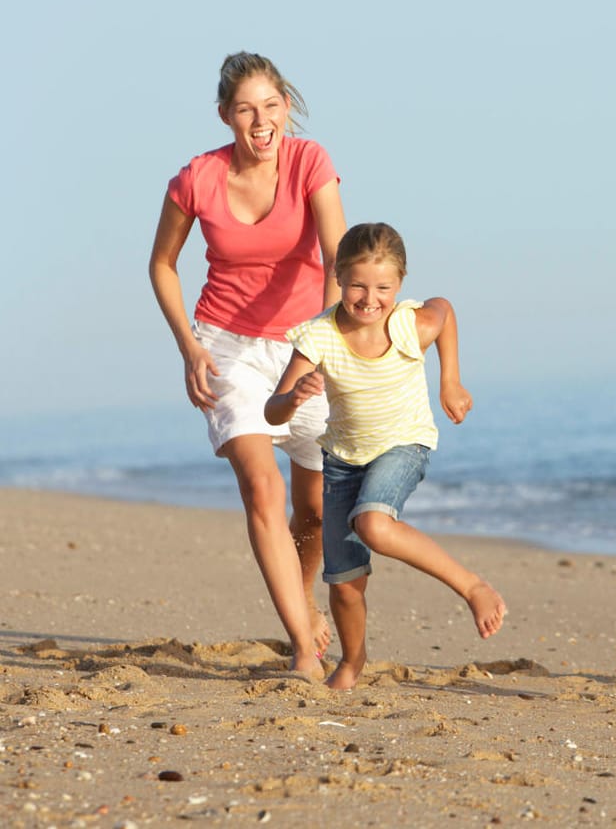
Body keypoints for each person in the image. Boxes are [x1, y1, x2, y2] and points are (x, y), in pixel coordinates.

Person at [149, 51, 345, 677]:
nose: (260, 121)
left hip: (305, 345)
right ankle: (300, 646)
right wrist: (189, 346)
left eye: (270, 106)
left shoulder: (310, 161)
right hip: (227, 346)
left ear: (286, 106)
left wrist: (315, 352)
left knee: (314, 509)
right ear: (225, 116)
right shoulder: (197, 179)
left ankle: (303, 597)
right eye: (245, 109)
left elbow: (337, 261)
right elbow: (162, 264)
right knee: (262, 484)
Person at [265, 222, 507, 690]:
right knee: (344, 583)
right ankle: (352, 663)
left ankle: (472, 586)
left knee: (374, 524)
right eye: (357, 284)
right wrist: (295, 396)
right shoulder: (318, 336)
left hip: (404, 444)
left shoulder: (407, 324)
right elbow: (272, 411)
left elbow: (446, 311)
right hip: (343, 461)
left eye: (383, 287)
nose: (369, 298)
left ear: (400, 284)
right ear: (337, 277)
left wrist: (449, 381)